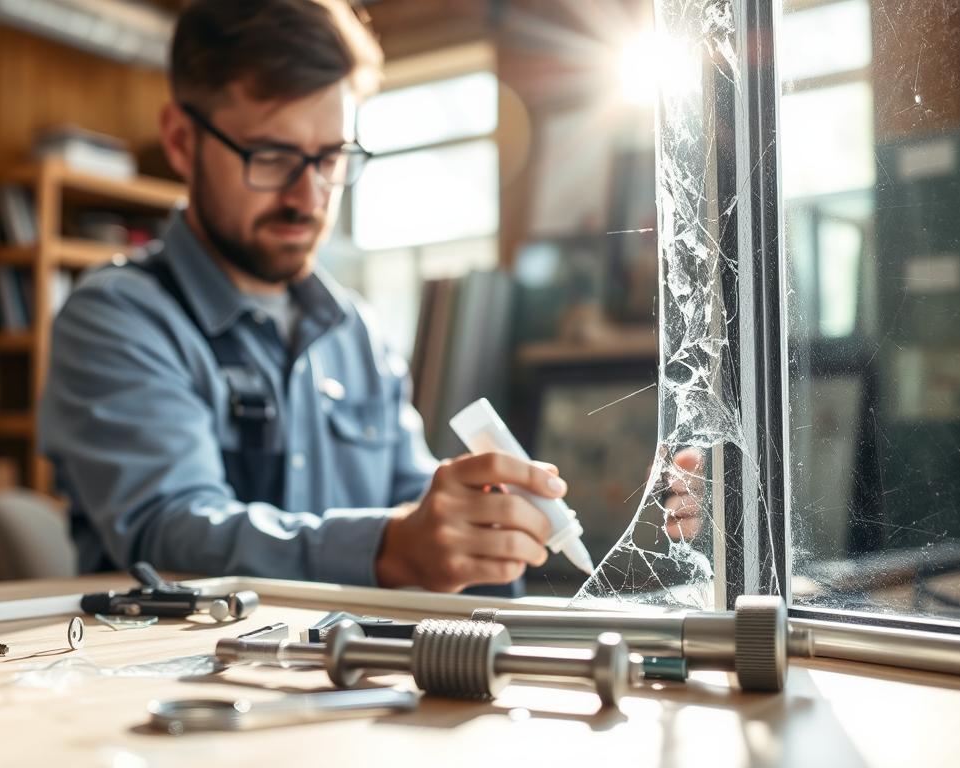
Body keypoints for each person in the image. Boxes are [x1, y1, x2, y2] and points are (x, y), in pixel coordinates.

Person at [39, 0, 701, 593]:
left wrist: (489, 529)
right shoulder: (117, 318)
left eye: (331, 158)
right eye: (271, 157)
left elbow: (417, 510)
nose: (309, 196)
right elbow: (170, 533)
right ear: (182, 142)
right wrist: (393, 549)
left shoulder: (356, 333)